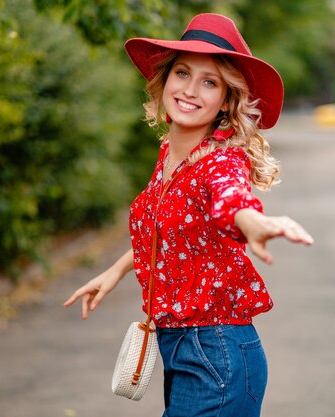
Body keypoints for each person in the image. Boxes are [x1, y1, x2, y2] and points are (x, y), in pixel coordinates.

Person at [64, 13, 313, 417]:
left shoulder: (221, 162)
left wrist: (254, 224)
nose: (191, 90)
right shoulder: (170, 154)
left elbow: (232, 202)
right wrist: (115, 271)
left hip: (216, 357)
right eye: (183, 73)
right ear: (164, 80)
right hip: (183, 349)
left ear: (226, 100)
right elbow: (168, 230)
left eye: (209, 81)